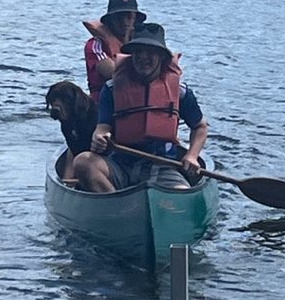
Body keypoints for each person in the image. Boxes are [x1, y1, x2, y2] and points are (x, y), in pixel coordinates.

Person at [73, 23, 208, 193]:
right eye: (138, 52)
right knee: (83, 162)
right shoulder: (112, 88)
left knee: (181, 193)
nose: (143, 57)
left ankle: (129, 205)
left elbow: (200, 127)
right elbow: (102, 127)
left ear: (161, 57)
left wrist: (192, 155)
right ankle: (118, 206)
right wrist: (100, 137)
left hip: (162, 167)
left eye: (150, 52)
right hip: (120, 165)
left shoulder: (180, 92)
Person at [83, 0, 146, 102]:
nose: (124, 21)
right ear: (110, 20)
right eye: (118, 17)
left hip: (136, 101)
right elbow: (113, 74)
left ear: (135, 19)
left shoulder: (144, 44)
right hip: (104, 104)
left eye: (128, 17)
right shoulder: (95, 45)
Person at [46, 81, 98, 180]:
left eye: (64, 100)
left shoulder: (94, 119)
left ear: (76, 103)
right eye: (53, 100)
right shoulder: (66, 122)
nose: (56, 105)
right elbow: (74, 150)